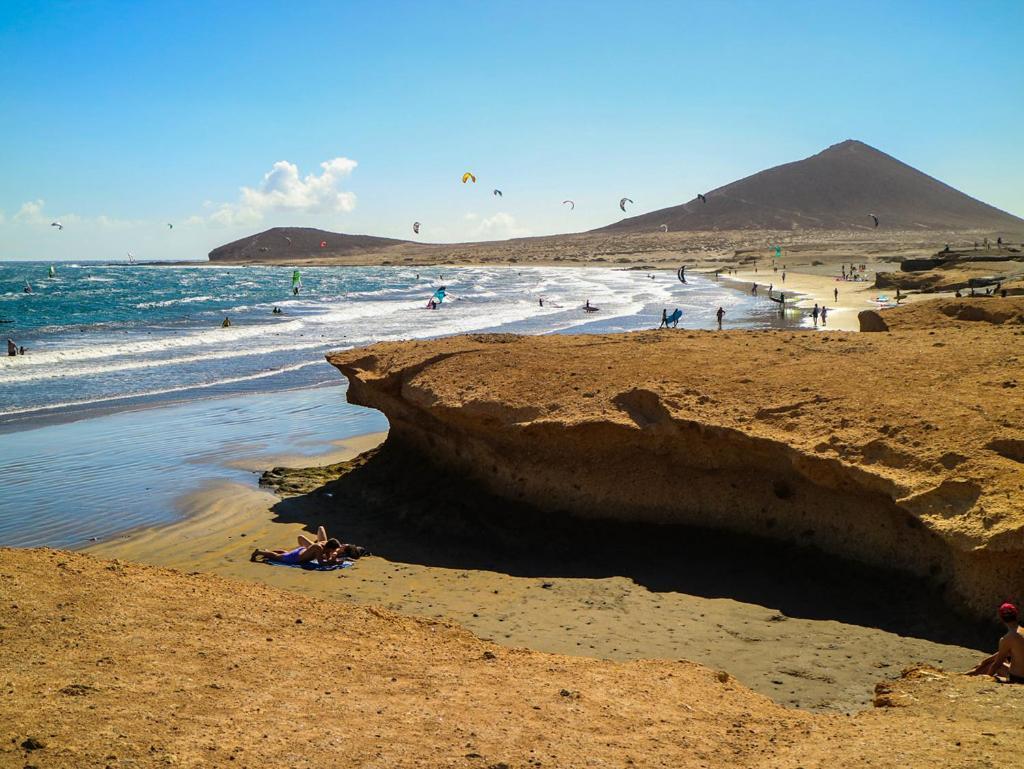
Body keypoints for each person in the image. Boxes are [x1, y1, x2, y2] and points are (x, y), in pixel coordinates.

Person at [967, 603, 1024, 683]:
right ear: (1016, 615)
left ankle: (964, 677)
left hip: (1018, 679)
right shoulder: (1021, 633)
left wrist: (986, 678)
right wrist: (984, 662)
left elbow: (997, 664)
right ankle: (966, 675)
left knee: (991, 665)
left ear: (1001, 618)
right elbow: (1005, 653)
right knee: (988, 663)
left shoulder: (1007, 639)